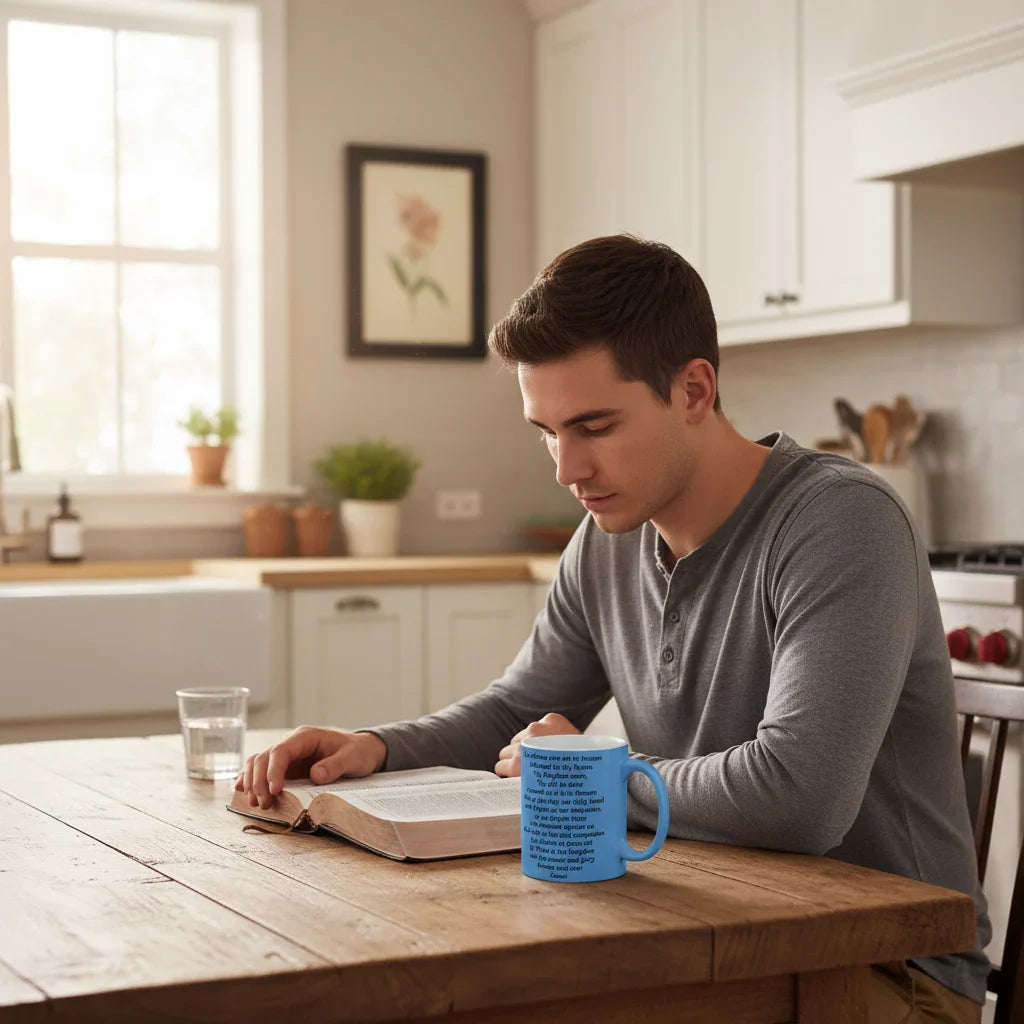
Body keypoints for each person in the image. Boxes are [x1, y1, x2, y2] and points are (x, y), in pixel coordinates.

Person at [238, 235, 989, 1023]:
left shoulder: (839, 522)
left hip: (886, 972)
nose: (567, 468)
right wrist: (374, 747)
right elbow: (515, 711)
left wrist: (590, 777)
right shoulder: (607, 539)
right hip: (712, 928)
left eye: (594, 426)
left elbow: (800, 797)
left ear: (694, 390)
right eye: (547, 430)